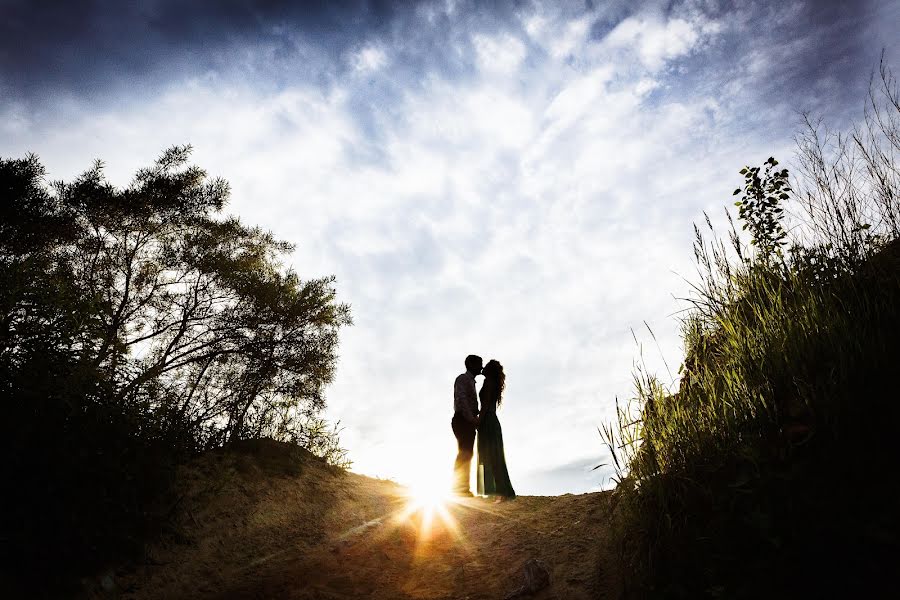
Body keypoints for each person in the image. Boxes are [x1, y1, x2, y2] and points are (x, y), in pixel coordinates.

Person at [476, 359, 515, 501]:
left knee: (491, 457)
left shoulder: (488, 382)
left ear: (490, 370)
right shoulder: (493, 383)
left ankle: (503, 493)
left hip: (488, 421)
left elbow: (485, 405)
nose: (483, 368)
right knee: (494, 456)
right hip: (492, 421)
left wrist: (478, 421)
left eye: (485, 366)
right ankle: (501, 492)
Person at [452, 354, 482, 496]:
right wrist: (471, 418)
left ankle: (462, 488)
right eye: (479, 364)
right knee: (464, 452)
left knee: (467, 453)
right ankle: (459, 489)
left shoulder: (470, 381)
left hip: (467, 421)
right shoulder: (463, 379)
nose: (481, 367)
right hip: (462, 420)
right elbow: (461, 400)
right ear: (472, 364)